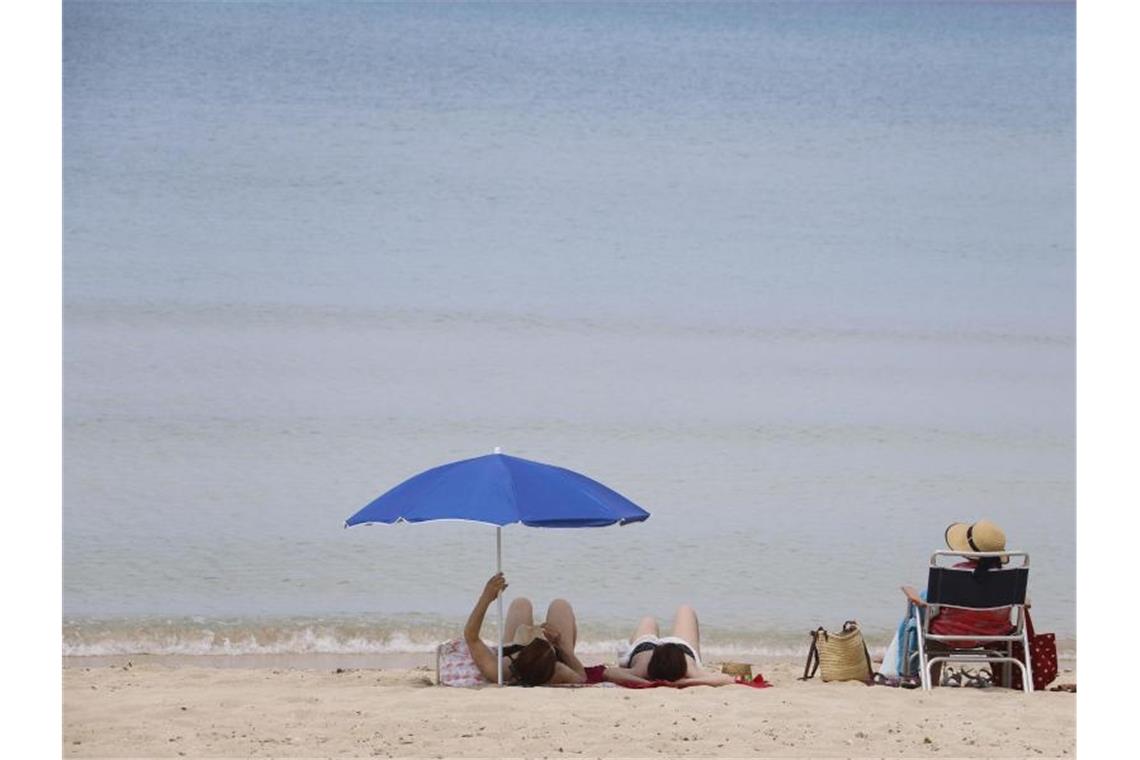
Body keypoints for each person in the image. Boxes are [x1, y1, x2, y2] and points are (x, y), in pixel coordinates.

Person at [879, 518, 1015, 685]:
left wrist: (913, 595)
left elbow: (929, 604)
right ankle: (1008, 681)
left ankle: (909, 672)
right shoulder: (1007, 580)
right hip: (995, 635)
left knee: (916, 614)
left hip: (947, 635)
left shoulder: (956, 574)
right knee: (922, 608)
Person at [463, 572, 587, 686]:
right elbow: (582, 678)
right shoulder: (558, 671)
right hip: (551, 660)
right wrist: (562, 648)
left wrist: (486, 597)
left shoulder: (501, 670)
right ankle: (558, 648)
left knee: (520, 604)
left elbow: (471, 636)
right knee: (560, 606)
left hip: (516, 653)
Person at [605, 605, 737, 687]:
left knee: (649, 620)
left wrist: (646, 682)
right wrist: (687, 682)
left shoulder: (641, 670)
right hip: (681, 649)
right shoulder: (690, 671)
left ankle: (629, 654)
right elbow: (728, 679)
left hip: (645, 649)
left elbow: (608, 672)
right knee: (685, 609)